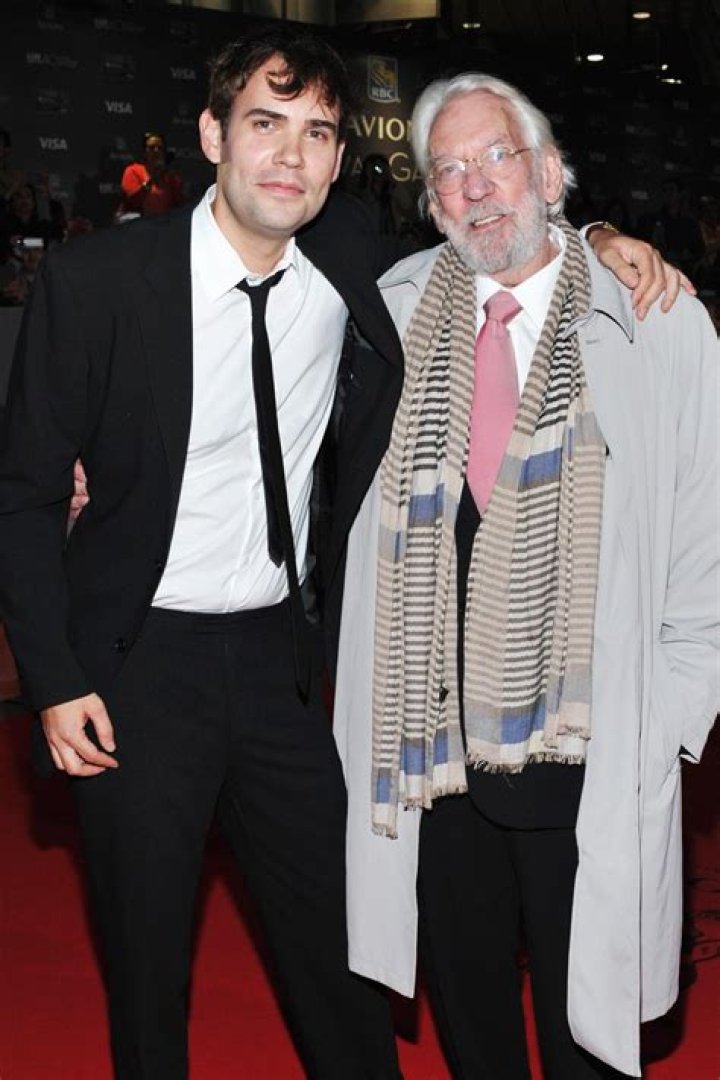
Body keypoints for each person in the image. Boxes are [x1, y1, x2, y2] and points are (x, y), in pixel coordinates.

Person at [0, 23, 691, 1079]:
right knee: (148, 973)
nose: (290, 155)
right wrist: (52, 677)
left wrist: (600, 236)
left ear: (337, 161)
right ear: (212, 135)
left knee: (341, 959)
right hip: (136, 668)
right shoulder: (97, 282)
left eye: (318, 133)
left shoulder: (353, 263)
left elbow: (506, 240)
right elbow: (24, 494)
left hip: (282, 668)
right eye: (265, 124)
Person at [333, 72, 718, 1080]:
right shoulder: (387, 315)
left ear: (549, 174)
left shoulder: (657, 323)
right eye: (447, 171)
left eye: (496, 157)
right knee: (470, 1014)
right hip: (434, 751)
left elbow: (705, 536)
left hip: (584, 743)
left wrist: (674, 714)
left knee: (585, 1023)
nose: (475, 187)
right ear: (430, 203)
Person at [118, 130, 184, 219]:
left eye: (160, 148)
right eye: (151, 148)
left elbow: (179, 206)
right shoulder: (132, 171)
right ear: (144, 152)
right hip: (136, 221)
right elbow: (133, 202)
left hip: (163, 223)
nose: (156, 151)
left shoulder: (171, 177)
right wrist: (152, 179)